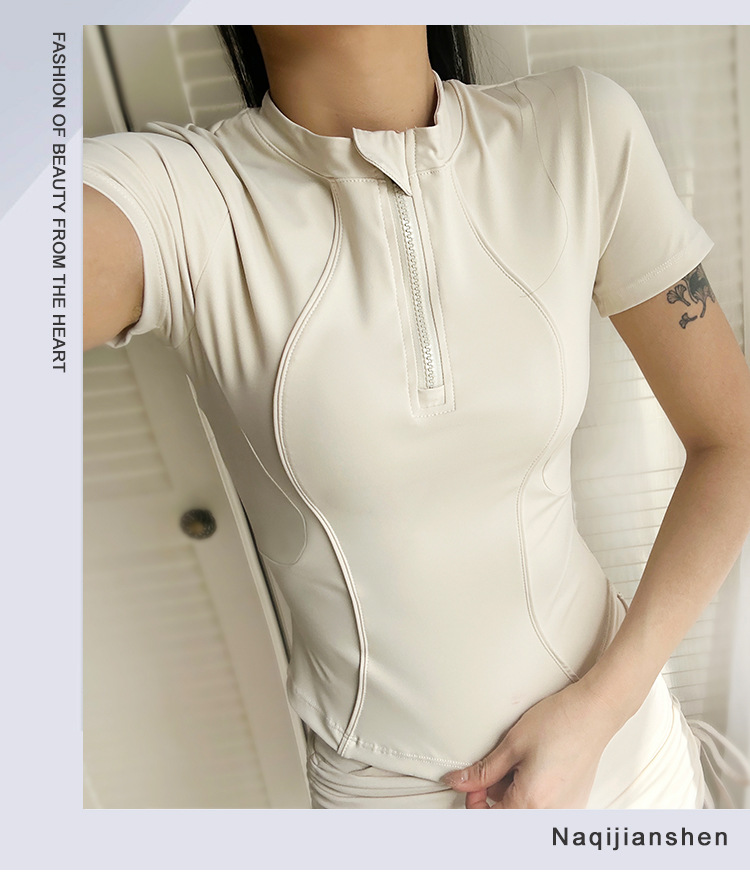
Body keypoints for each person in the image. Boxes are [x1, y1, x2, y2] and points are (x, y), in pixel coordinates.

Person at [83, 25, 750, 809]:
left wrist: (603, 708)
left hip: (626, 753)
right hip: (388, 803)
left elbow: (732, 442)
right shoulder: (181, 202)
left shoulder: (579, 130)